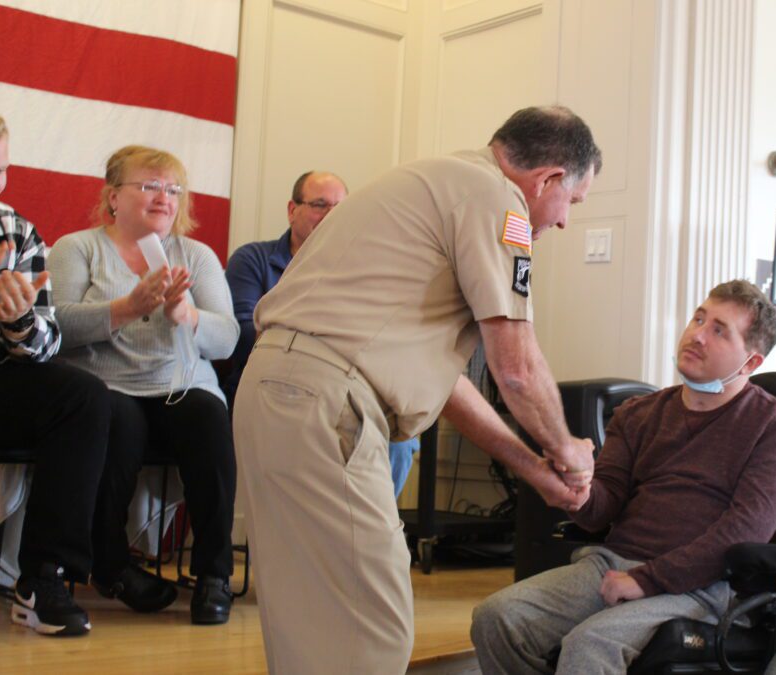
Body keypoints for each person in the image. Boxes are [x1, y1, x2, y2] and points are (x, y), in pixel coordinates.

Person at [233, 105, 601, 673]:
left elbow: (449, 384)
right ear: (548, 178)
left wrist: (533, 469)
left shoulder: (437, 180)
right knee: (372, 629)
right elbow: (518, 368)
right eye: (572, 201)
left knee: (308, 625)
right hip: (327, 403)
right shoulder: (498, 200)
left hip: (278, 391)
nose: (565, 222)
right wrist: (568, 450)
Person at [471, 280, 776, 674]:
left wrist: (648, 580)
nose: (697, 335)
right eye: (699, 319)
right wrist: (579, 491)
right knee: (497, 618)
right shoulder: (639, 413)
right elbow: (602, 508)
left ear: (750, 363)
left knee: (591, 645)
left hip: (707, 587)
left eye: (719, 330)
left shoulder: (774, 429)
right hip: (614, 565)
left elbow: (742, 534)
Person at [48, 145, 240, 625]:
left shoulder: (195, 255)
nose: (164, 197)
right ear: (114, 197)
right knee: (116, 422)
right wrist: (127, 308)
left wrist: (187, 315)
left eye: (173, 189)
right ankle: (111, 566)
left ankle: (214, 575)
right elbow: (57, 326)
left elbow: (227, 339)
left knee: (210, 419)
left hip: (180, 384)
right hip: (107, 386)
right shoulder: (78, 248)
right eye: (150, 185)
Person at [224, 171, 419, 497]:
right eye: (319, 205)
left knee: (401, 443)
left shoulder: (366, 267)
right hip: (273, 389)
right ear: (292, 210)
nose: (330, 215)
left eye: (340, 207)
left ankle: (366, 526)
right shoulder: (254, 259)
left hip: (346, 389)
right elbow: (243, 337)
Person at [0, 114, 110, 637]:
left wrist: (18, 319)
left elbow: (45, 347)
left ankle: (44, 576)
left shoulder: (16, 231)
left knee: (81, 395)